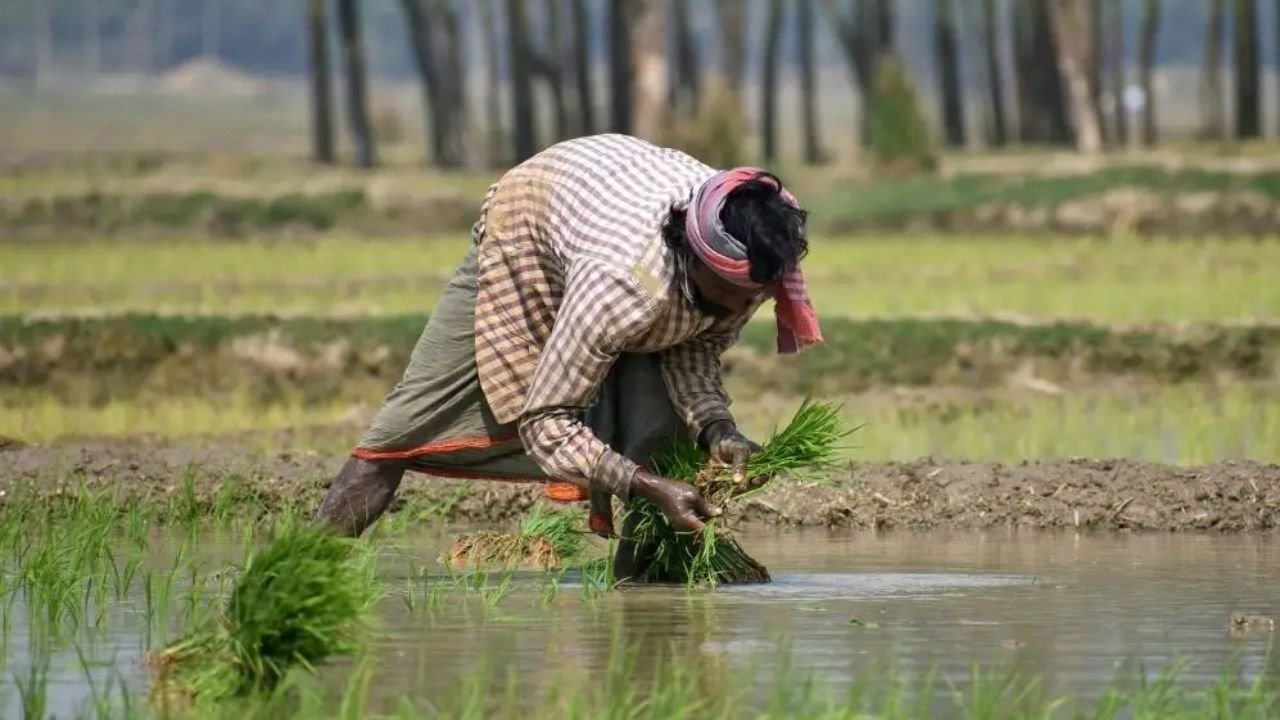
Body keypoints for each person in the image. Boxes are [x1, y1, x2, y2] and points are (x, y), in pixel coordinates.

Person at [313, 133, 821, 574]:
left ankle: (641, 596)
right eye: (731, 296)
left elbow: (696, 343)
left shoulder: (744, 264)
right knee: (403, 428)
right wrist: (646, 487)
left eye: (752, 298)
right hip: (531, 223)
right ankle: (300, 570)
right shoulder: (621, 285)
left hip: (606, 198)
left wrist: (717, 429)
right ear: (693, 258)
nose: (740, 309)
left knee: (666, 434)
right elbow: (547, 421)